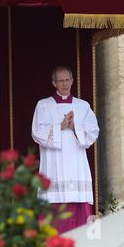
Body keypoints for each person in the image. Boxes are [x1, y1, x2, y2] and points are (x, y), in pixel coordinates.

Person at [31, 66, 99, 233]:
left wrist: (75, 126)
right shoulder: (44, 105)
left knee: (79, 202)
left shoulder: (83, 106)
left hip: (77, 164)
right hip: (53, 164)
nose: (64, 84)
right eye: (60, 80)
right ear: (54, 83)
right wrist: (60, 126)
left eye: (67, 79)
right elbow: (36, 132)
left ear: (72, 80)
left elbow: (94, 131)